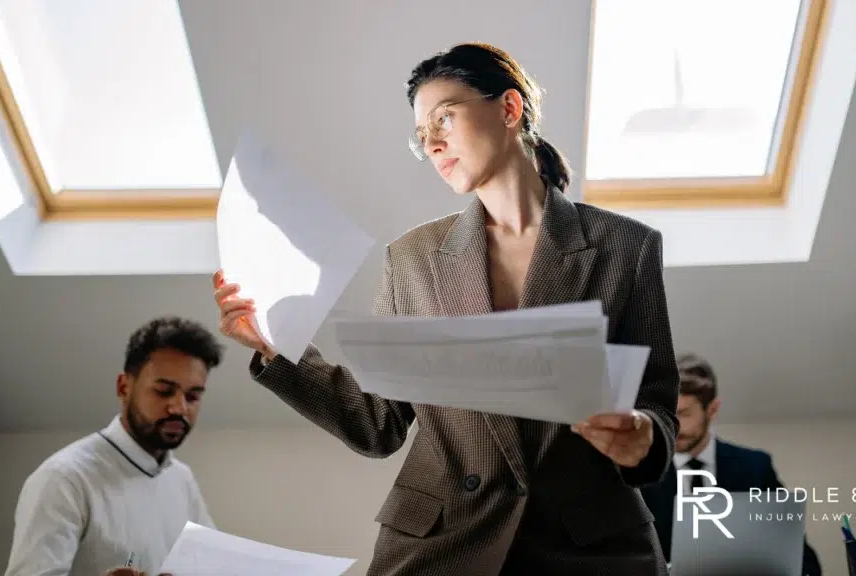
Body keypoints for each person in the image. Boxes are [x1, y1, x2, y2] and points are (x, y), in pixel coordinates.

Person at [212, 42, 680, 576]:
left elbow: (658, 404)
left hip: (588, 546)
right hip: (442, 543)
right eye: (420, 136)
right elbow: (377, 422)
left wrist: (641, 434)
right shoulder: (412, 258)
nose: (432, 144)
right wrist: (274, 350)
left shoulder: (627, 246)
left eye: (445, 119)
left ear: (509, 109)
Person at [3, 317, 222, 576]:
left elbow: (213, 566)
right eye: (164, 391)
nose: (179, 408)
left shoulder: (181, 478)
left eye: (193, 396)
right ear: (124, 387)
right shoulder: (64, 479)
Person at [640, 353, 822, 576]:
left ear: (713, 410)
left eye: (683, 414)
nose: (671, 426)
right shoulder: (639, 472)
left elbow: (800, 556)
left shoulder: (756, 468)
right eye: (665, 415)